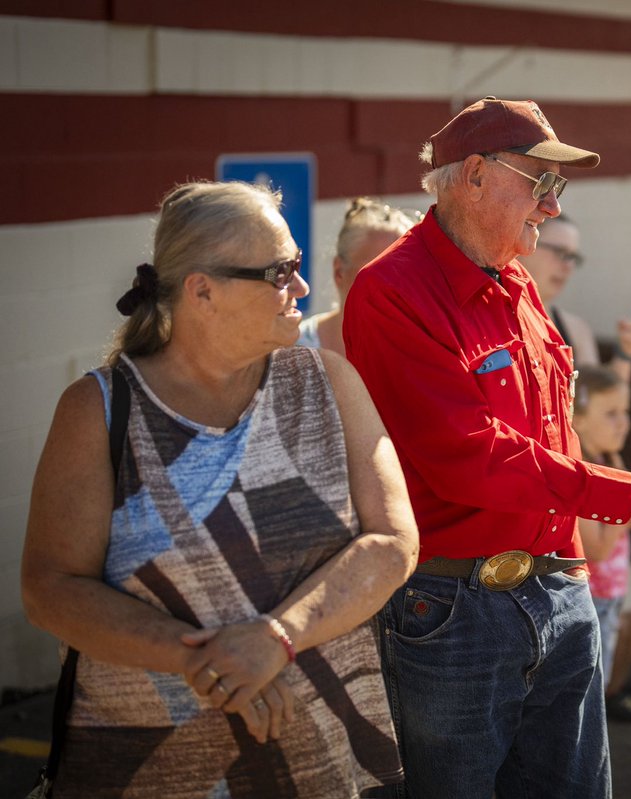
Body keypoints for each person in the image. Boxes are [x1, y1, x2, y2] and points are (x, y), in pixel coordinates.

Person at [341, 96, 631, 798]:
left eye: (559, 189)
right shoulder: (388, 291)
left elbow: (555, 429)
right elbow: (473, 457)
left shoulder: (516, 279)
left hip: (559, 590)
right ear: (477, 175)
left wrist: (587, 552)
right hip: (454, 609)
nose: (551, 207)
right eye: (541, 183)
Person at [21, 180, 419, 797]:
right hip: (146, 772)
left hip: (326, 759)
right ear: (201, 290)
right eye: (280, 272)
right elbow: (50, 590)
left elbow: (394, 542)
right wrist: (208, 662)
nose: (303, 289)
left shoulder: (328, 381)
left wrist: (273, 641)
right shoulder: (98, 410)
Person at [571, 365, 631, 723]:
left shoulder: (607, 460)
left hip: (609, 598)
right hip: (594, 602)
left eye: (626, 412)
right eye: (611, 414)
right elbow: (598, 551)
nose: (624, 423)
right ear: (580, 420)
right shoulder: (583, 474)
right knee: (588, 700)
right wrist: (629, 517)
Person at [518, 214, 631, 381]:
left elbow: (597, 402)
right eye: (559, 252)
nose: (568, 266)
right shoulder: (491, 315)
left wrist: (625, 352)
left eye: (573, 257)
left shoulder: (576, 331)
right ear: (526, 244)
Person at [296, 197, 422, 355]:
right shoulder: (293, 351)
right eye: (378, 271)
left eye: (406, 273)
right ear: (339, 272)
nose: (394, 286)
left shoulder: (422, 351)